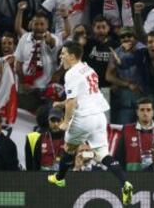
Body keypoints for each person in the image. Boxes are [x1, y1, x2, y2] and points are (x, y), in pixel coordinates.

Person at [47, 41, 133, 206]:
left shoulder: (71, 74)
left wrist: (65, 122)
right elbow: (82, 96)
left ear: (72, 56)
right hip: (99, 117)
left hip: (83, 118)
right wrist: (61, 103)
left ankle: (59, 178)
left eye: (63, 53)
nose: (60, 56)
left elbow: (73, 102)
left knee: (69, 149)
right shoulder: (88, 69)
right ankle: (125, 183)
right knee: (103, 154)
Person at [114, 97, 154, 171]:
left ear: (153, 112)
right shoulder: (127, 130)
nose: (145, 113)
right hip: (132, 175)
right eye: (142, 110)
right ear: (137, 112)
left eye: (148, 110)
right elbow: (119, 156)